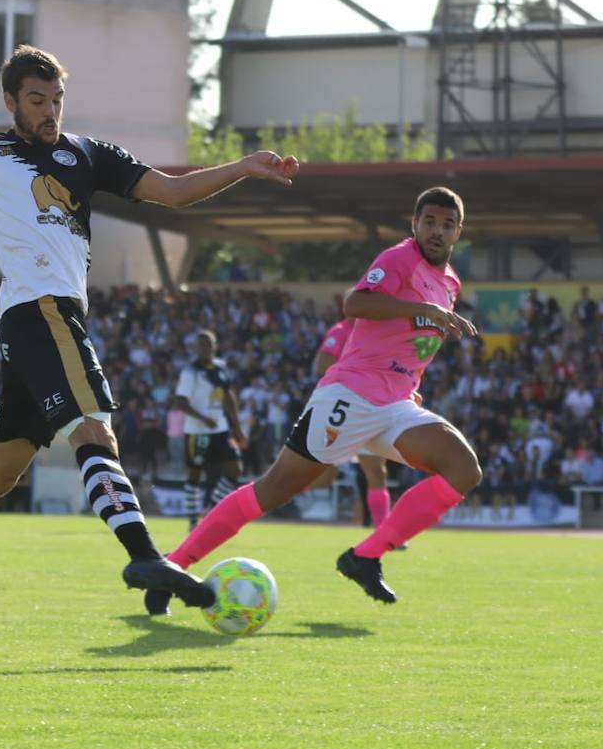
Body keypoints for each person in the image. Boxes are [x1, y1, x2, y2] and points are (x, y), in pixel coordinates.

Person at [0, 44, 298, 645]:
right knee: (95, 430)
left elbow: (171, 192)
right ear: (11, 101)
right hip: (39, 312)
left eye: (57, 100)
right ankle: (144, 553)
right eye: (37, 101)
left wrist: (240, 167)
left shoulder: (87, 154)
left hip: (46, 318)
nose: (50, 112)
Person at [143, 187, 481, 614]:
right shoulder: (398, 259)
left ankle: (364, 556)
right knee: (273, 489)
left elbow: (409, 347)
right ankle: (173, 566)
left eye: (447, 225)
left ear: (458, 232)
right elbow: (355, 303)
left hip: (396, 405)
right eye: (429, 221)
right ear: (414, 224)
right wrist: (425, 311)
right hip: (351, 395)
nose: (437, 230)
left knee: (463, 469)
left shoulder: (450, 282)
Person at [313, 318, 393, 531]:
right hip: (342, 406)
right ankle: (267, 500)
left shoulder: (381, 329)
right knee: (316, 472)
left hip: (370, 407)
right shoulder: (341, 331)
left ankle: (383, 530)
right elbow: (321, 364)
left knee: (376, 472)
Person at [173, 330, 245, 528]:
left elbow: (228, 397)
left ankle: (212, 510)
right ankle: (193, 521)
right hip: (197, 431)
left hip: (220, 428)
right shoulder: (190, 372)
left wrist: (237, 428)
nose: (205, 348)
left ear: (215, 346)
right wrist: (203, 419)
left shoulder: (221, 367)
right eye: (201, 345)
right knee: (195, 473)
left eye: (208, 344)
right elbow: (180, 402)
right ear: (195, 348)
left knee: (235, 469)